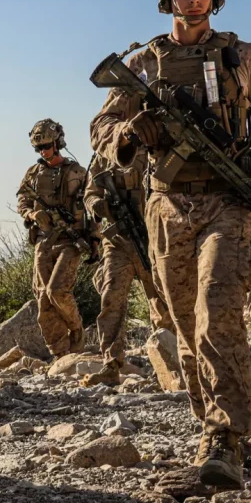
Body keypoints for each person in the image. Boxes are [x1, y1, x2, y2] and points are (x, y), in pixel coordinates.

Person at [90, 0, 251, 490]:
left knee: (216, 310)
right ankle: (210, 429)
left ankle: (227, 437)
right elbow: (101, 130)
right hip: (166, 206)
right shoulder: (142, 64)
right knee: (184, 324)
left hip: (228, 203)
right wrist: (131, 134)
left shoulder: (244, 58)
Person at [81, 152, 171, 387]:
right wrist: (98, 205)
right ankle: (111, 365)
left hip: (152, 236)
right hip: (118, 241)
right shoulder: (104, 155)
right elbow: (90, 193)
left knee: (162, 300)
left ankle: (171, 361)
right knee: (111, 297)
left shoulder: (152, 147)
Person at [16, 119, 89, 357]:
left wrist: (96, 239)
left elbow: (93, 206)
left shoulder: (77, 172)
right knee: (43, 300)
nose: (43, 152)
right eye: (38, 148)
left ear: (58, 143)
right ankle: (60, 353)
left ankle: (76, 329)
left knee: (57, 291)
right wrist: (32, 214)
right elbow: (22, 201)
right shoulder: (33, 174)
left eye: (46, 146)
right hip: (44, 240)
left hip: (71, 240)